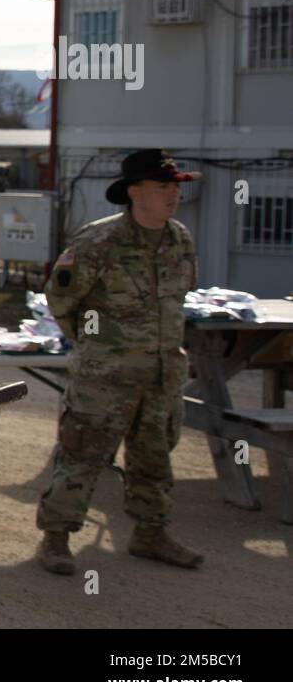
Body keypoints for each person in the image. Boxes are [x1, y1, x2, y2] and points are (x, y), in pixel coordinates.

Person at [36, 148, 204, 574]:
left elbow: (179, 300)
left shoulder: (179, 239)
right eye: (163, 187)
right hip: (105, 379)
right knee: (82, 456)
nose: (173, 195)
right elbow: (61, 299)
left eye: (175, 187)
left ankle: (151, 533)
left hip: (161, 376)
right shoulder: (99, 241)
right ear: (135, 193)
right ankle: (56, 539)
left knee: (155, 458)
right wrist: (97, 349)